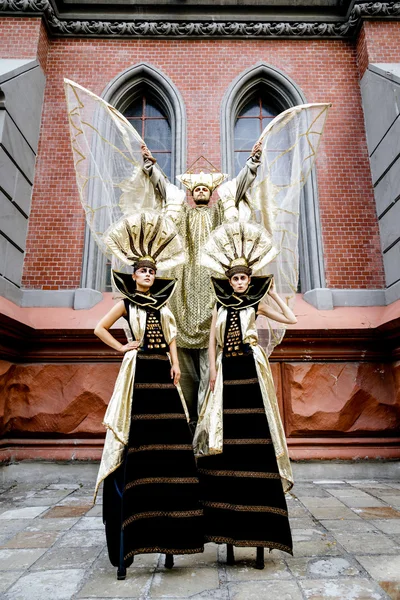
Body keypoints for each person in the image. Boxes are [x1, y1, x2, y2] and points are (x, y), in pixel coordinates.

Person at [93, 211, 203, 579]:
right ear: (134, 274)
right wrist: (123, 348)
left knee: (169, 443)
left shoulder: (163, 306)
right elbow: (99, 328)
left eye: (152, 272)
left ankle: (169, 534)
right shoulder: (126, 303)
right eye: (142, 271)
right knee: (139, 441)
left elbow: (172, 339)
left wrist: (175, 365)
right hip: (138, 376)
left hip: (162, 378)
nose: (147, 276)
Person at [193, 221, 296, 569]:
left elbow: (291, 319)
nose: (240, 283)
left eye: (245, 279)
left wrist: (273, 291)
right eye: (236, 279)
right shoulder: (220, 309)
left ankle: (260, 527)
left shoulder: (256, 305)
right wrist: (211, 373)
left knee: (254, 435)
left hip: (251, 371)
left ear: (249, 281)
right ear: (229, 280)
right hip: (226, 373)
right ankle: (226, 523)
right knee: (228, 438)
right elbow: (212, 344)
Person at [141, 143, 262, 424]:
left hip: (213, 292)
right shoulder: (180, 214)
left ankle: (210, 429)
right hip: (181, 292)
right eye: (195, 189)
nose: (200, 192)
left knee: (212, 372)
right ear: (190, 194)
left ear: (210, 193)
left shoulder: (220, 213)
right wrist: (150, 165)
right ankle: (183, 427)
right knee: (179, 371)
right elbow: (163, 188)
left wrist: (253, 160)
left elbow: (239, 186)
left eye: (204, 189)